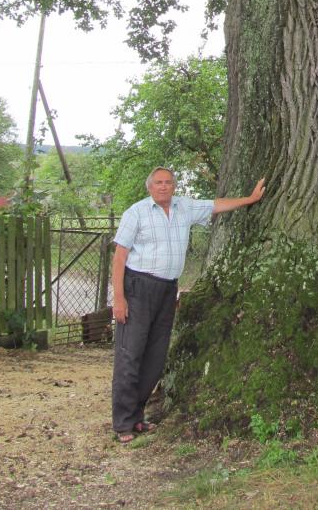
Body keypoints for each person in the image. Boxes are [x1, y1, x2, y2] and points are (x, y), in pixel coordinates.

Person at [111, 166, 265, 443]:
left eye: (168, 182)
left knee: (156, 358)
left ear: (174, 186)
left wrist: (249, 199)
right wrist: (119, 299)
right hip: (138, 288)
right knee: (130, 355)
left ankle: (137, 416)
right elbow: (120, 257)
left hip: (167, 289)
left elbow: (216, 205)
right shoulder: (136, 213)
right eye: (158, 182)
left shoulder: (184, 208)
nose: (163, 186)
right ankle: (123, 423)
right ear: (150, 187)